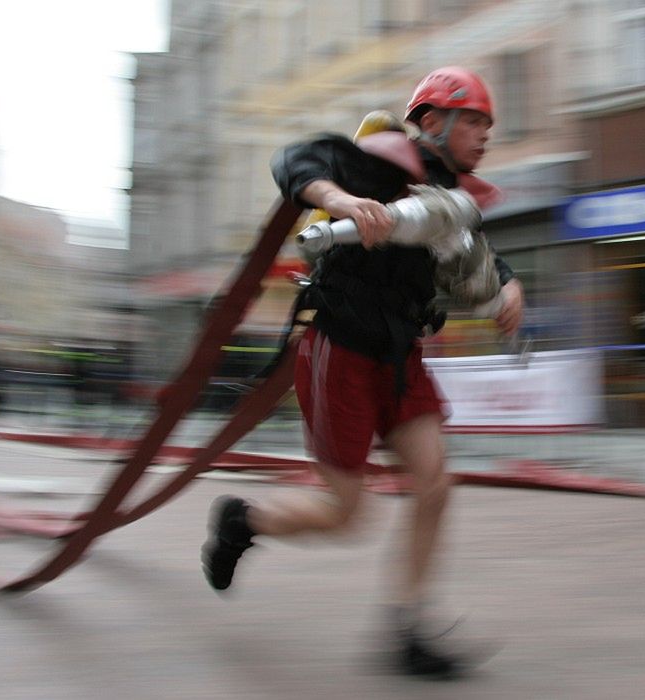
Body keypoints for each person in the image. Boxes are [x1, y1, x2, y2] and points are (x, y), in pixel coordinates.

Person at [200, 66, 524, 679]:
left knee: (434, 484)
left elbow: (476, 255)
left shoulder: (451, 196)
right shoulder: (378, 162)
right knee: (346, 513)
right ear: (433, 120)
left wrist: (509, 287)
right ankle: (243, 521)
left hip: (399, 355)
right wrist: (342, 199)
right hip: (340, 349)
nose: (485, 135)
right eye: (475, 121)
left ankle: (407, 631)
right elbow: (298, 160)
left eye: (488, 124)